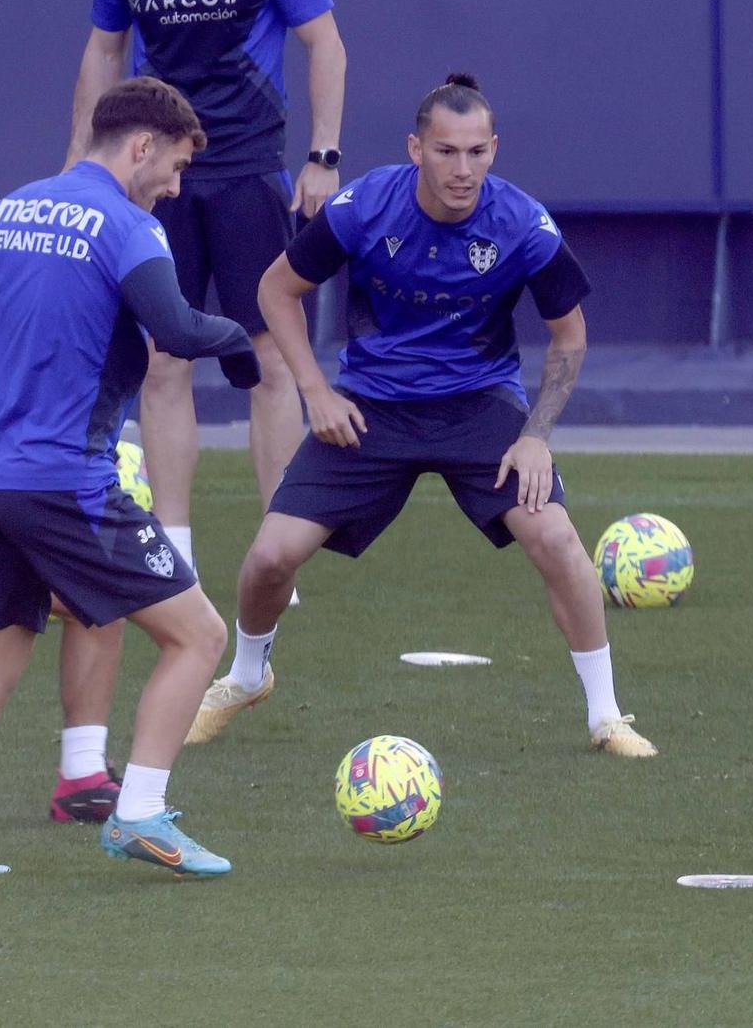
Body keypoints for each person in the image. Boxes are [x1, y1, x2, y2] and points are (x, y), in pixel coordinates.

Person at [183, 74, 656, 760]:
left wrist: (535, 438)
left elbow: (570, 335)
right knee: (268, 558)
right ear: (416, 148)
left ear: (494, 149)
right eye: (445, 151)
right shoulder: (362, 207)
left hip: (479, 406)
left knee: (555, 540)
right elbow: (273, 289)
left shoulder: (523, 224)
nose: (461, 169)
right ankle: (248, 675)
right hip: (371, 406)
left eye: (475, 152)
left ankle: (607, 716)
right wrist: (315, 390)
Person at [0, 78, 262, 879]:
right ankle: (139, 813)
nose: (174, 188)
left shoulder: (6, 212)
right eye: (172, 167)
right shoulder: (128, 227)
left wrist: (7, 402)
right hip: (66, 482)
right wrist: (236, 338)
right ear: (140, 146)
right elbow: (174, 326)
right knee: (200, 635)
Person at [68, 0, 346, 594]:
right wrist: (85, 161)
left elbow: (325, 42)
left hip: (250, 170)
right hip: (155, 179)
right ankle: (175, 550)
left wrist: (324, 155)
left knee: (268, 359)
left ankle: (277, 548)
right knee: (162, 360)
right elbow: (102, 50)